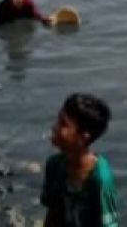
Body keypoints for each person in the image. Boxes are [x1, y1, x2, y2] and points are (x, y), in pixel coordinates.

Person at [42, 93, 121, 227]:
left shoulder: (101, 179)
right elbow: (52, 215)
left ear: (83, 137)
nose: (54, 127)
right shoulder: (54, 166)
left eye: (63, 124)